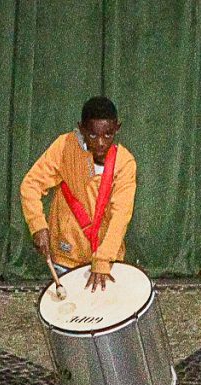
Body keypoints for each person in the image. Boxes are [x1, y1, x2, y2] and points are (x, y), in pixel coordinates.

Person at [20, 96, 134, 293]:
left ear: (117, 128)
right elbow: (31, 185)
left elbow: (121, 215)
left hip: (108, 259)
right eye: (92, 135)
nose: (100, 143)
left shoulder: (125, 163)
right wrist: (37, 225)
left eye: (107, 135)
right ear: (81, 129)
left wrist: (104, 259)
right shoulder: (64, 147)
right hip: (67, 257)